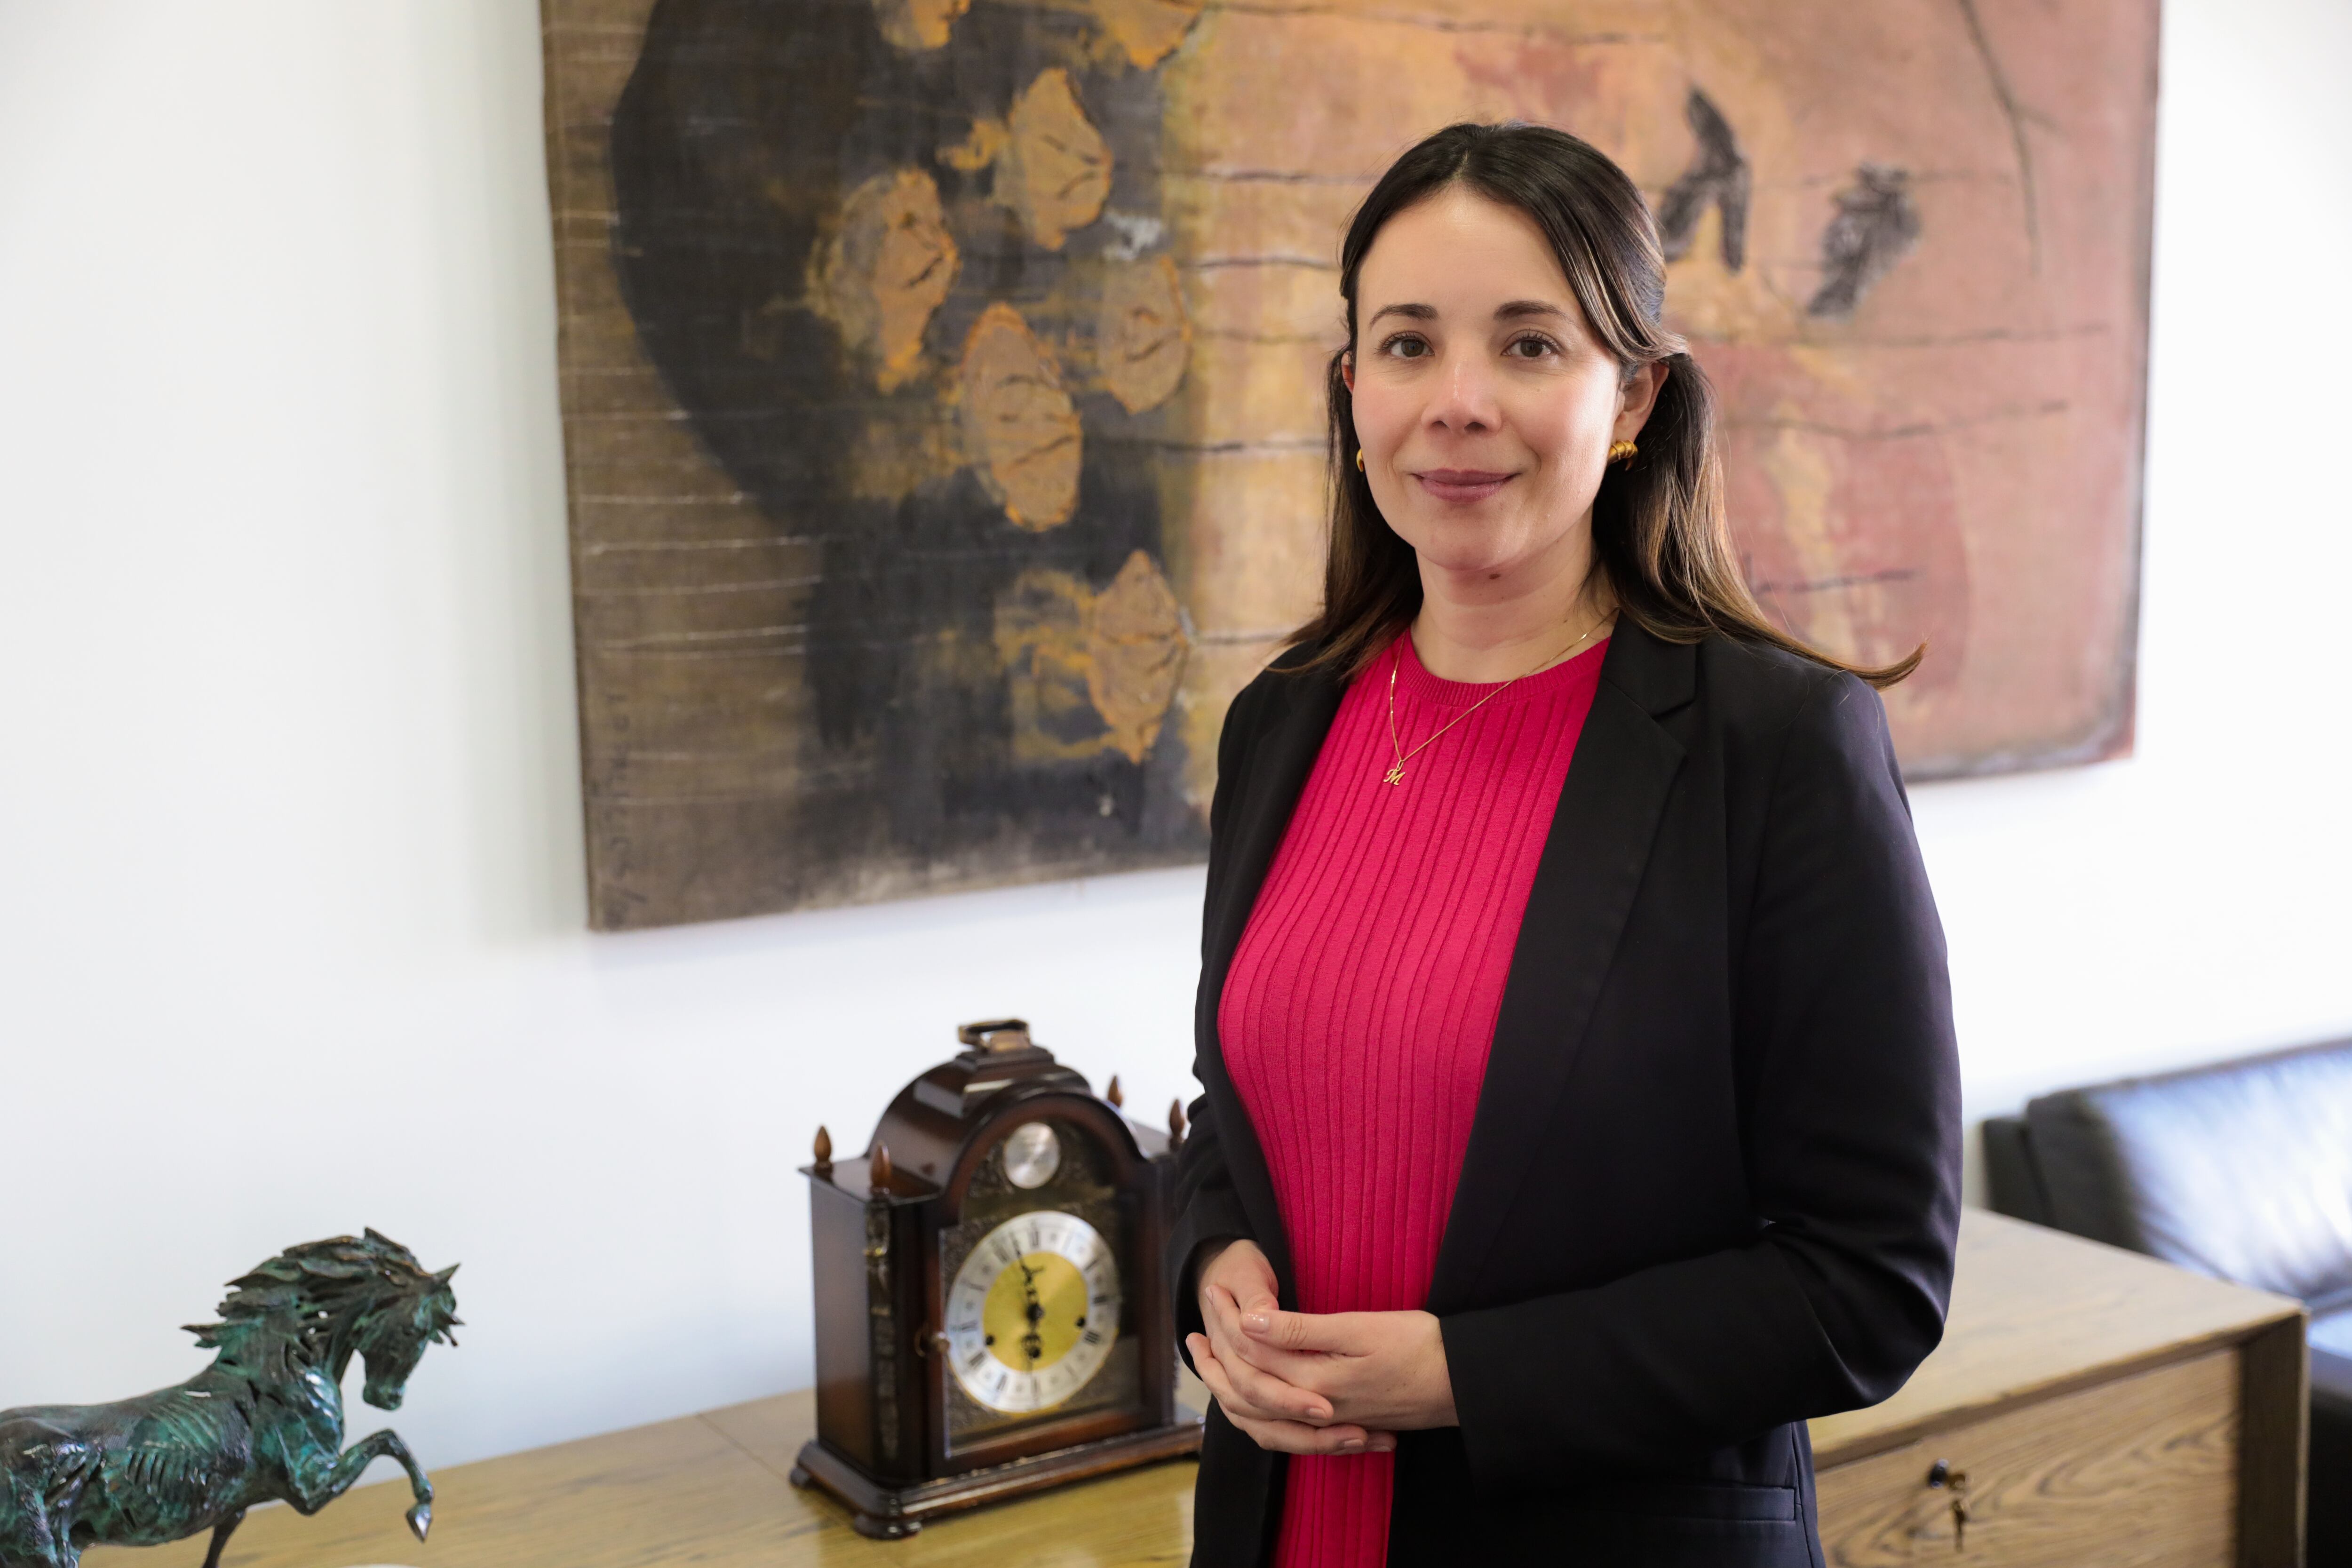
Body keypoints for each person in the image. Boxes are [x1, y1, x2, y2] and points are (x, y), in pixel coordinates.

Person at [1169, 121, 1962, 1568]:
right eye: (1406, 346)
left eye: (1531, 347)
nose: (1457, 402)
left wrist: (1456, 1379)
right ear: (1353, 392)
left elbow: (1868, 1283)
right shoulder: (1281, 721)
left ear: (1635, 396)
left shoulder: (1779, 747)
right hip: (1282, 1530)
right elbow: (1238, 1105)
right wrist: (1211, 1265)